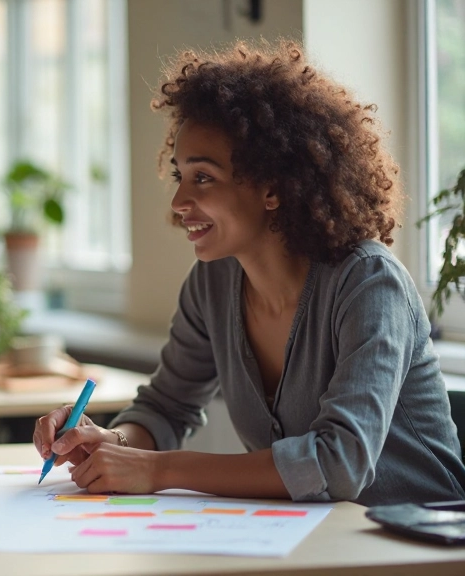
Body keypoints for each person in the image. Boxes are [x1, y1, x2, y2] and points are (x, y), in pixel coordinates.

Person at [34, 40, 465, 507]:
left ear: (272, 188)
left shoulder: (369, 284)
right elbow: (166, 407)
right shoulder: (213, 283)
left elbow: (338, 465)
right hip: (305, 542)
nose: (178, 204)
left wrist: (161, 469)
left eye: (203, 177)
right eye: (180, 176)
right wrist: (109, 442)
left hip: (415, 546)